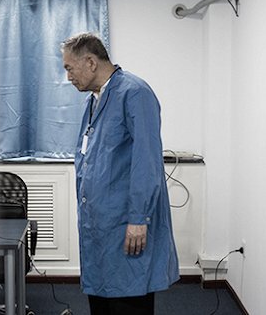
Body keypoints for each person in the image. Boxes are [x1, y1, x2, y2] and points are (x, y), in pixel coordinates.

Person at [61, 32, 179, 315]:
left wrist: (139, 218)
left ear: (91, 62)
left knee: (128, 298)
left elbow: (147, 161)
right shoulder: (94, 100)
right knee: (102, 298)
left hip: (127, 222)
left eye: (69, 68)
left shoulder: (135, 93)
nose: (68, 77)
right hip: (100, 223)